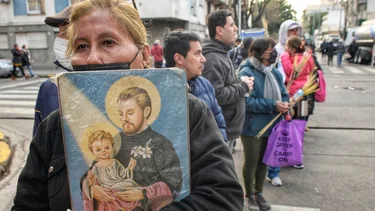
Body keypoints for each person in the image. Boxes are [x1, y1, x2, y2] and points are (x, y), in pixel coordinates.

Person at [12, 1, 244, 211]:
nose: (92, 58)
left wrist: (143, 194)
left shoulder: (189, 114)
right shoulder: (55, 126)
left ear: (143, 55)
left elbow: (223, 198)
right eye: (81, 46)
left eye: (108, 42)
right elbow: (28, 204)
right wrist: (91, 189)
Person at [238, 38, 290, 211]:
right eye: (270, 50)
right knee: (252, 161)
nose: (274, 53)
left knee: (264, 162)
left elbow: (283, 93)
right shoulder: (246, 71)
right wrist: (273, 105)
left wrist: (285, 103)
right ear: (259, 53)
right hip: (252, 127)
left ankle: (259, 194)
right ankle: (249, 196)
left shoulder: (274, 73)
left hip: (272, 125)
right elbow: (247, 102)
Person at [163, 30, 229, 141]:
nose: (203, 59)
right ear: (179, 58)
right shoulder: (163, 91)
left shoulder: (205, 84)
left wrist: (222, 149)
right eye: (197, 54)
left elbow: (219, 123)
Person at [202, 10, 253, 153]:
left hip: (227, 128)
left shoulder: (221, 53)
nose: (236, 28)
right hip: (221, 130)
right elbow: (216, 95)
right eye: (232, 25)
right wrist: (243, 87)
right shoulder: (212, 58)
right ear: (219, 30)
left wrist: (240, 82)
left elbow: (225, 84)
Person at [269, 19, 302, 187]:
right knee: (272, 138)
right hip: (276, 100)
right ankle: (270, 172)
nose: (295, 33)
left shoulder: (301, 52)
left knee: (287, 133)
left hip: (291, 97)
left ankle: (279, 168)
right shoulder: (275, 51)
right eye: (291, 30)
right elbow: (275, 75)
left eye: (297, 30)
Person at [33, 5, 73, 136]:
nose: (60, 37)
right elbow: (39, 146)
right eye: (60, 31)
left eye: (67, 31)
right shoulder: (49, 87)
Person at [82, 130, 139, 211]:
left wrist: (130, 168)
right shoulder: (95, 167)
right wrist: (91, 180)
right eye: (98, 150)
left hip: (119, 186)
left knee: (129, 183)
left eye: (107, 147)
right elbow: (93, 182)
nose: (103, 151)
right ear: (92, 152)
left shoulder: (115, 162)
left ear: (112, 147)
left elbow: (123, 174)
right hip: (107, 190)